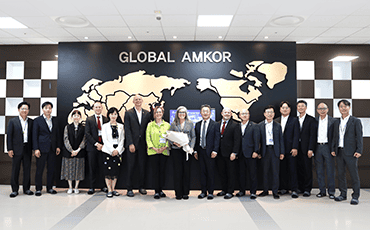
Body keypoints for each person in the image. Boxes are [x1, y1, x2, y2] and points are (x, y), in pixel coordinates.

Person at [331, 100, 363, 205]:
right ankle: (342, 194)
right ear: (338, 108)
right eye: (341, 106)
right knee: (340, 174)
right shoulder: (336, 122)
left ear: (349, 107)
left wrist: (359, 150)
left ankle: (355, 196)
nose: (343, 108)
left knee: (354, 175)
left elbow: (359, 137)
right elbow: (334, 137)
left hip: (351, 152)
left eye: (345, 106)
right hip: (339, 151)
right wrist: (333, 149)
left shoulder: (355, 121)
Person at [124, 94, 151, 197]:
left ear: (142, 101)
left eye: (140, 99)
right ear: (133, 101)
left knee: (142, 166)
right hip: (132, 145)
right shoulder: (128, 113)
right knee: (130, 167)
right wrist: (130, 143)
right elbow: (127, 129)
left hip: (143, 145)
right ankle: (129, 188)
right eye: (136, 99)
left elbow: (148, 130)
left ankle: (141, 187)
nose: (138, 101)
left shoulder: (147, 113)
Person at [33, 101, 61, 196]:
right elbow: (34, 136)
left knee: (51, 169)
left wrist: (58, 146)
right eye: (46, 108)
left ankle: (50, 188)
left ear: (52, 109)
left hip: (52, 149)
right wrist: (36, 149)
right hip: (41, 149)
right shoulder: (37, 120)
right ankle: (38, 189)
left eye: (49, 108)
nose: (48, 109)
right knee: (39, 169)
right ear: (42, 109)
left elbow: (57, 134)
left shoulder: (55, 120)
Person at [7, 102, 34, 198]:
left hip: (27, 148)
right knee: (15, 170)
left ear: (28, 111)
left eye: (26, 109)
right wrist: (9, 149)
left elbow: (33, 137)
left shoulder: (31, 121)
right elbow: (9, 136)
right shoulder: (12, 121)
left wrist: (34, 149)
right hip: (16, 149)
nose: (24, 110)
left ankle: (26, 189)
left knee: (27, 170)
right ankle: (14, 190)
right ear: (18, 110)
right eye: (22, 108)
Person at [258, 105, 284, 199]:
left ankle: (275, 192)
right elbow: (258, 141)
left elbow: (281, 140)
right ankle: (265, 190)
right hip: (265, 151)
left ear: (274, 114)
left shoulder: (277, 125)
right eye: (268, 112)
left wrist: (282, 152)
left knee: (275, 172)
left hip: (275, 151)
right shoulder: (260, 125)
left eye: (271, 112)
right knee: (265, 172)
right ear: (264, 114)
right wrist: (258, 152)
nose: (270, 114)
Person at [169, 106, 195, 200]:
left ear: (186, 114)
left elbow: (193, 137)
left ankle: (185, 193)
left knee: (186, 172)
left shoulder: (190, 123)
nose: (182, 114)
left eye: (183, 112)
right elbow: (170, 136)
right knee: (177, 172)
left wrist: (191, 147)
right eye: (180, 112)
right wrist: (174, 143)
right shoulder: (173, 123)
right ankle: (178, 193)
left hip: (186, 151)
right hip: (176, 150)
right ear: (177, 114)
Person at [194, 104, 220, 200]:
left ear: (210, 113)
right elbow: (196, 139)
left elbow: (217, 139)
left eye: (207, 111)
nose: (205, 113)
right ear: (200, 113)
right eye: (203, 111)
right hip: (200, 151)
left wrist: (215, 150)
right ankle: (203, 191)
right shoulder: (197, 124)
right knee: (202, 172)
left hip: (211, 152)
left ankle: (211, 192)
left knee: (210, 172)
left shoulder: (215, 124)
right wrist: (195, 151)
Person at [274, 101, 300, 198]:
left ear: (290, 109)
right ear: (280, 109)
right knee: (282, 169)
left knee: (292, 169)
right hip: (279, 150)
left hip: (290, 149)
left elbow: (296, 135)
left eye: (286, 108)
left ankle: (294, 189)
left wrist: (295, 147)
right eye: (283, 108)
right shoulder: (276, 120)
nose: (285, 109)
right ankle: (283, 188)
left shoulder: (294, 120)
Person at [146, 106, 171, 199]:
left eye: (160, 112)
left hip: (164, 152)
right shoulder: (150, 125)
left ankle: (161, 190)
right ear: (154, 114)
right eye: (157, 112)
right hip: (153, 152)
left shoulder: (167, 125)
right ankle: (156, 191)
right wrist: (154, 148)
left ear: (163, 113)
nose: (158, 114)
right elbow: (148, 138)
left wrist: (165, 147)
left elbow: (169, 138)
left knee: (162, 172)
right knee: (155, 172)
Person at [216, 108, 240, 199]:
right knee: (222, 172)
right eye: (225, 112)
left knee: (231, 173)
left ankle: (230, 191)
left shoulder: (235, 124)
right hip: (219, 153)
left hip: (230, 154)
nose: (227, 114)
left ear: (231, 114)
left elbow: (237, 140)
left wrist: (234, 152)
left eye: (229, 112)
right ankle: (224, 190)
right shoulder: (217, 124)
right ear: (222, 113)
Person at [85, 101, 108, 194]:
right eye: (96, 107)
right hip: (92, 147)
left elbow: (107, 134)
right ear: (93, 108)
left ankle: (103, 186)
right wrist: (96, 144)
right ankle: (92, 187)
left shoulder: (106, 119)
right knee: (92, 167)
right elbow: (87, 133)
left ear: (102, 108)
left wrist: (103, 145)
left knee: (103, 167)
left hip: (103, 147)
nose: (98, 109)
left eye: (99, 107)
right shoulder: (89, 119)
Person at [61, 110, 87, 194]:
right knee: (69, 170)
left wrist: (78, 150)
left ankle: (76, 187)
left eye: (78, 115)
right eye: (74, 115)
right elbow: (65, 139)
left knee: (78, 170)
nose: (76, 117)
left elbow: (84, 139)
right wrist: (71, 150)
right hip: (69, 152)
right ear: (72, 117)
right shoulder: (67, 127)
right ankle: (70, 187)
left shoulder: (83, 127)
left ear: (80, 117)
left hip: (80, 151)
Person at [101, 107, 125, 198]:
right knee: (108, 171)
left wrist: (117, 150)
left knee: (115, 171)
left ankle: (114, 189)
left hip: (118, 151)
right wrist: (112, 150)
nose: (113, 116)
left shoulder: (121, 126)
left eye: (115, 114)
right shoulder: (105, 126)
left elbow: (122, 139)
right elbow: (105, 140)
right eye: (111, 114)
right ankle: (109, 189)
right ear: (109, 115)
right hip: (107, 151)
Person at [236, 109, 259, 199]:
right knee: (241, 174)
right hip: (241, 154)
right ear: (239, 116)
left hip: (251, 153)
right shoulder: (237, 126)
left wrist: (256, 151)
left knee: (252, 174)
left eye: (246, 113)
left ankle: (253, 192)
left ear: (249, 115)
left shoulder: (254, 126)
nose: (244, 115)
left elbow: (257, 140)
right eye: (242, 114)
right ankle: (242, 191)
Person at [315, 103, 335, 199]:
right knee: (319, 170)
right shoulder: (314, 121)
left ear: (328, 109)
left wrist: (333, 149)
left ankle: (331, 192)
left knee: (330, 170)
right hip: (318, 147)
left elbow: (335, 137)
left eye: (324, 108)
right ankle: (322, 191)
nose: (322, 110)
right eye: (320, 108)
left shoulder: (333, 121)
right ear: (317, 110)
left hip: (328, 147)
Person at [296, 100, 317, 197]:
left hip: (307, 148)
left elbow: (313, 136)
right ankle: (300, 188)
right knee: (299, 168)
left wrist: (311, 149)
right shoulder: (295, 119)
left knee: (307, 169)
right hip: (297, 148)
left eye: (302, 106)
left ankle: (307, 189)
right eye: (299, 106)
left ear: (306, 107)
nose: (300, 108)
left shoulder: (311, 120)